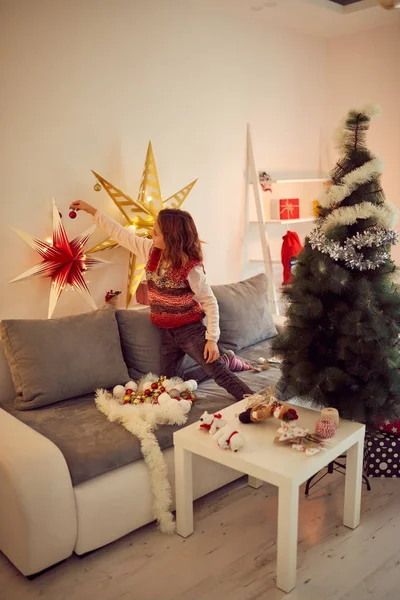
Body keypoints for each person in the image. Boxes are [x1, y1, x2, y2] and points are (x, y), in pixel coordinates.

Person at [69, 200, 254, 400]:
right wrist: (92, 210)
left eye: (156, 233)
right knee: (171, 383)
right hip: (166, 332)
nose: (151, 235)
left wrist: (212, 339)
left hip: (189, 330)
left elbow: (210, 303)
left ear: (171, 237)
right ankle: (227, 360)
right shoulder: (150, 251)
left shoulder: (191, 269)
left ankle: (256, 402)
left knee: (217, 372)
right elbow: (121, 234)